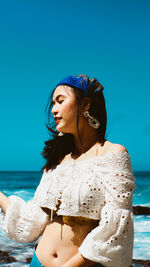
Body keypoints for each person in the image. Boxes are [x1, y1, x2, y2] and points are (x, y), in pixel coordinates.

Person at [0, 74, 136, 267]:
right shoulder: (59, 161)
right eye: (53, 104)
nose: (54, 110)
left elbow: (116, 228)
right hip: (37, 262)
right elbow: (31, 222)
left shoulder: (113, 154)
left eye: (60, 101)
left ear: (85, 104)